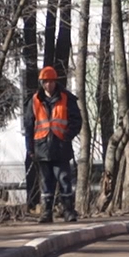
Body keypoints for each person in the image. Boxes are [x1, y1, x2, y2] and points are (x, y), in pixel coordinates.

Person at [24, 66, 83, 222]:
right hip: (42, 148)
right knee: (46, 183)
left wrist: (67, 136)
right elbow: (29, 126)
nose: (48, 85)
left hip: (61, 147)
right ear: (41, 83)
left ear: (55, 82)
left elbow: (77, 121)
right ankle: (46, 213)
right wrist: (30, 149)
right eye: (45, 82)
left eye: (50, 82)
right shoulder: (35, 101)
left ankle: (68, 212)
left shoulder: (67, 98)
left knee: (64, 180)